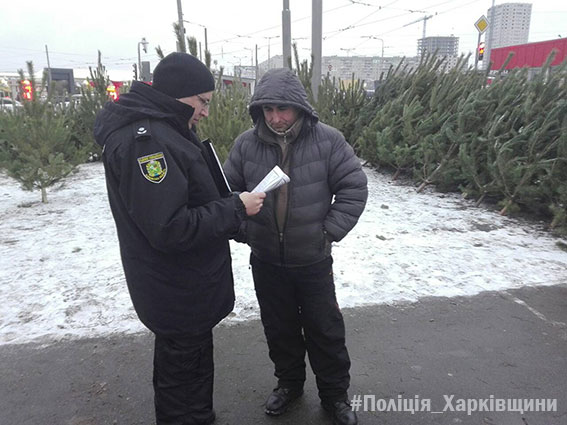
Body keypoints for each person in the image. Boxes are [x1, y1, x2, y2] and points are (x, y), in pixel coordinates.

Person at [93, 52, 265, 425]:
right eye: (201, 102)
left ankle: (196, 414)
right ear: (176, 95)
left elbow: (188, 198)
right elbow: (170, 228)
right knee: (183, 375)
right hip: (177, 290)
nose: (205, 112)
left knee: (186, 369)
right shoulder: (148, 143)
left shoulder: (165, 130)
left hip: (184, 288)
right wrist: (236, 209)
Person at [224, 68, 368, 425]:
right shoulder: (246, 144)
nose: (275, 117)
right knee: (279, 328)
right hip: (267, 260)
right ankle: (289, 384)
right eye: (268, 109)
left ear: (299, 108)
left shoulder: (328, 141)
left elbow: (353, 188)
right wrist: (245, 230)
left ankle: (335, 396)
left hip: (313, 259)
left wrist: (328, 232)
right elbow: (226, 194)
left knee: (325, 329)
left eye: (282, 109)